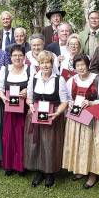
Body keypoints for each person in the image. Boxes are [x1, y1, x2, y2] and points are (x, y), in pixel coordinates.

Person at [62, 54, 99, 189]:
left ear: (88, 65)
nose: (80, 68)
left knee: (91, 146)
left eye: (83, 64)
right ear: (74, 67)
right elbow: (69, 98)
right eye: (77, 65)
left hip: (91, 119)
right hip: (75, 118)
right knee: (78, 143)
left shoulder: (98, 80)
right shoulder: (71, 81)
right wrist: (69, 103)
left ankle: (93, 174)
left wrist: (91, 102)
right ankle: (81, 169)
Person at [26, 51, 69, 187]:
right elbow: (29, 97)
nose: (45, 65)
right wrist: (31, 106)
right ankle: (39, 171)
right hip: (36, 115)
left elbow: (64, 102)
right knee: (36, 144)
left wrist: (57, 113)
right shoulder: (34, 78)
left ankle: (50, 173)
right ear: (38, 64)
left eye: (47, 62)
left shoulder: (59, 79)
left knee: (50, 145)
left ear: (52, 64)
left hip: (53, 117)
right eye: (42, 62)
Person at [0, 44, 30, 176]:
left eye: (20, 55)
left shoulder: (29, 69)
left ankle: (21, 165)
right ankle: (9, 164)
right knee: (9, 136)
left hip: (24, 109)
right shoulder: (5, 70)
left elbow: (32, 86)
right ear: (10, 57)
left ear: (24, 56)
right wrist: (4, 98)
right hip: (9, 109)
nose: (17, 58)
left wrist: (27, 90)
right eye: (14, 55)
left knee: (22, 136)